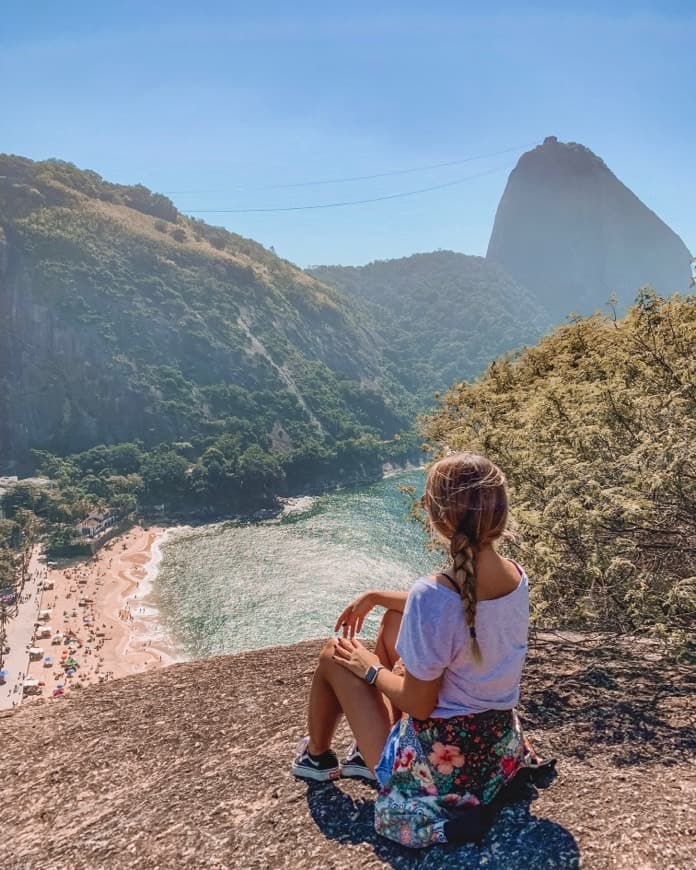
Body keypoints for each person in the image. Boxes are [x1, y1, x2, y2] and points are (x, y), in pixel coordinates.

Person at [291, 452, 545, 848]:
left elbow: (420, 704)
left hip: (441, 766)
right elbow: (450, 610)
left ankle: (318, 760)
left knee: (334, 653)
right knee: (394, 620)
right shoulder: (515, 574)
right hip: (494, 748)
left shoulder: (434, 594)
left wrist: (370, 668)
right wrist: (376, 596)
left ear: (437, 515)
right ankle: (367, 748)